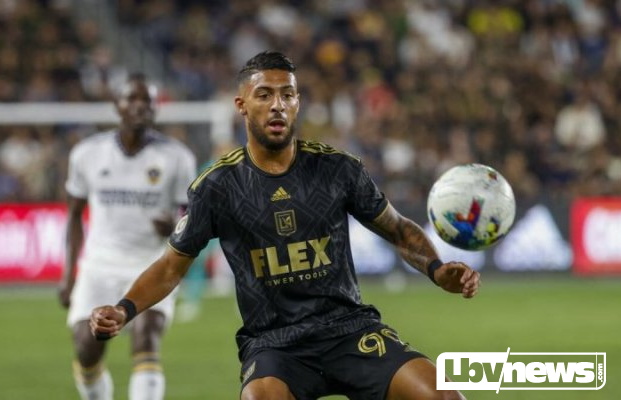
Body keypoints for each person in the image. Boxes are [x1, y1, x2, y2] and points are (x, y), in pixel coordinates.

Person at [90, 52, 480, 400]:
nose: (277, 105)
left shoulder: (338, 169)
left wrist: (437, 268)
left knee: (443, 395)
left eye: (287, 95)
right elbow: (170, 268)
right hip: (275, 344)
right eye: (264, 95)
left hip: (349, 330)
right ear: (242, 105)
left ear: (297, 103)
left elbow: (397, 229)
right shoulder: (218, 187)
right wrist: (124, 310)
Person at [59, 73, 197, 400]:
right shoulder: (87, 154)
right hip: (99, 266)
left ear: (155, 108)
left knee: (146, 338)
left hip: (151, 265)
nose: (139, 106)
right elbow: (74, 215)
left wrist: (175, 225)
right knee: (87, 347)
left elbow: (191, 218)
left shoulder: (178, 158)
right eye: (131, 99)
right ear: (116, 105)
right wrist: (68, 276)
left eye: (147, 100)